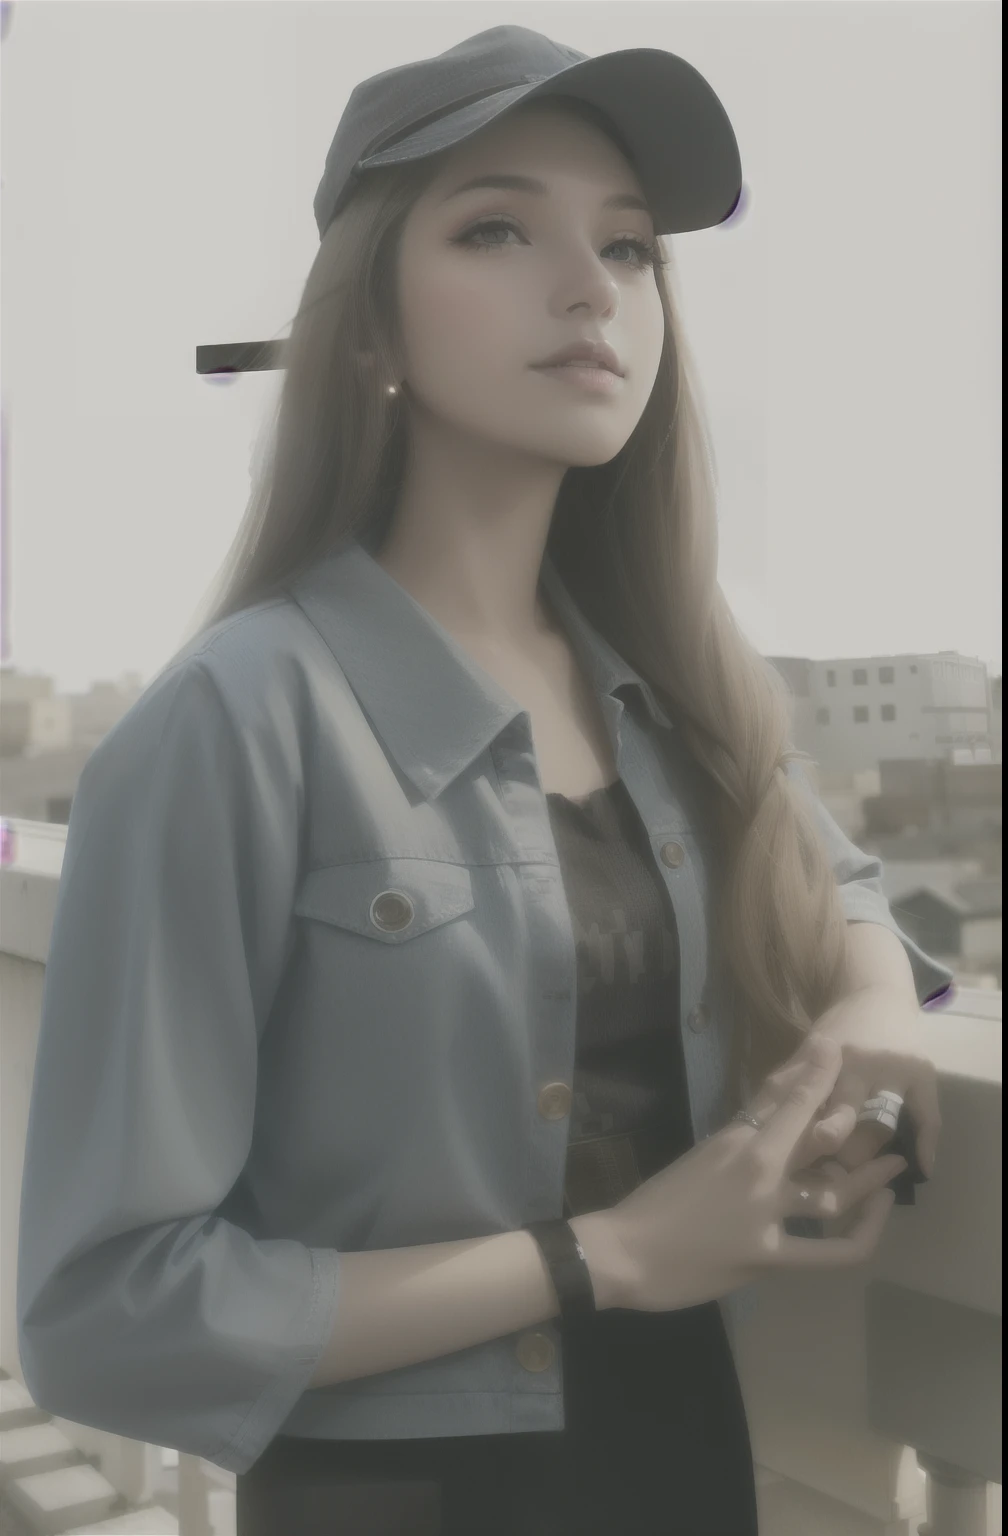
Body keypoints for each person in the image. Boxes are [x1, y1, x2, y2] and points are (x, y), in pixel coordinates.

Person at [16, 25, 954, 1536]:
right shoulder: (235, 721)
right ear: (369, 328)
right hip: (405, 1500)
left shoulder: (664, 692)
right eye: (498, 228)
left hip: (688, 1465)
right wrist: (605, 1256)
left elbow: (837, 884)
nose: (590, 287)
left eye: (633, 249)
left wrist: (862, 1015)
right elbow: (105, 1310)